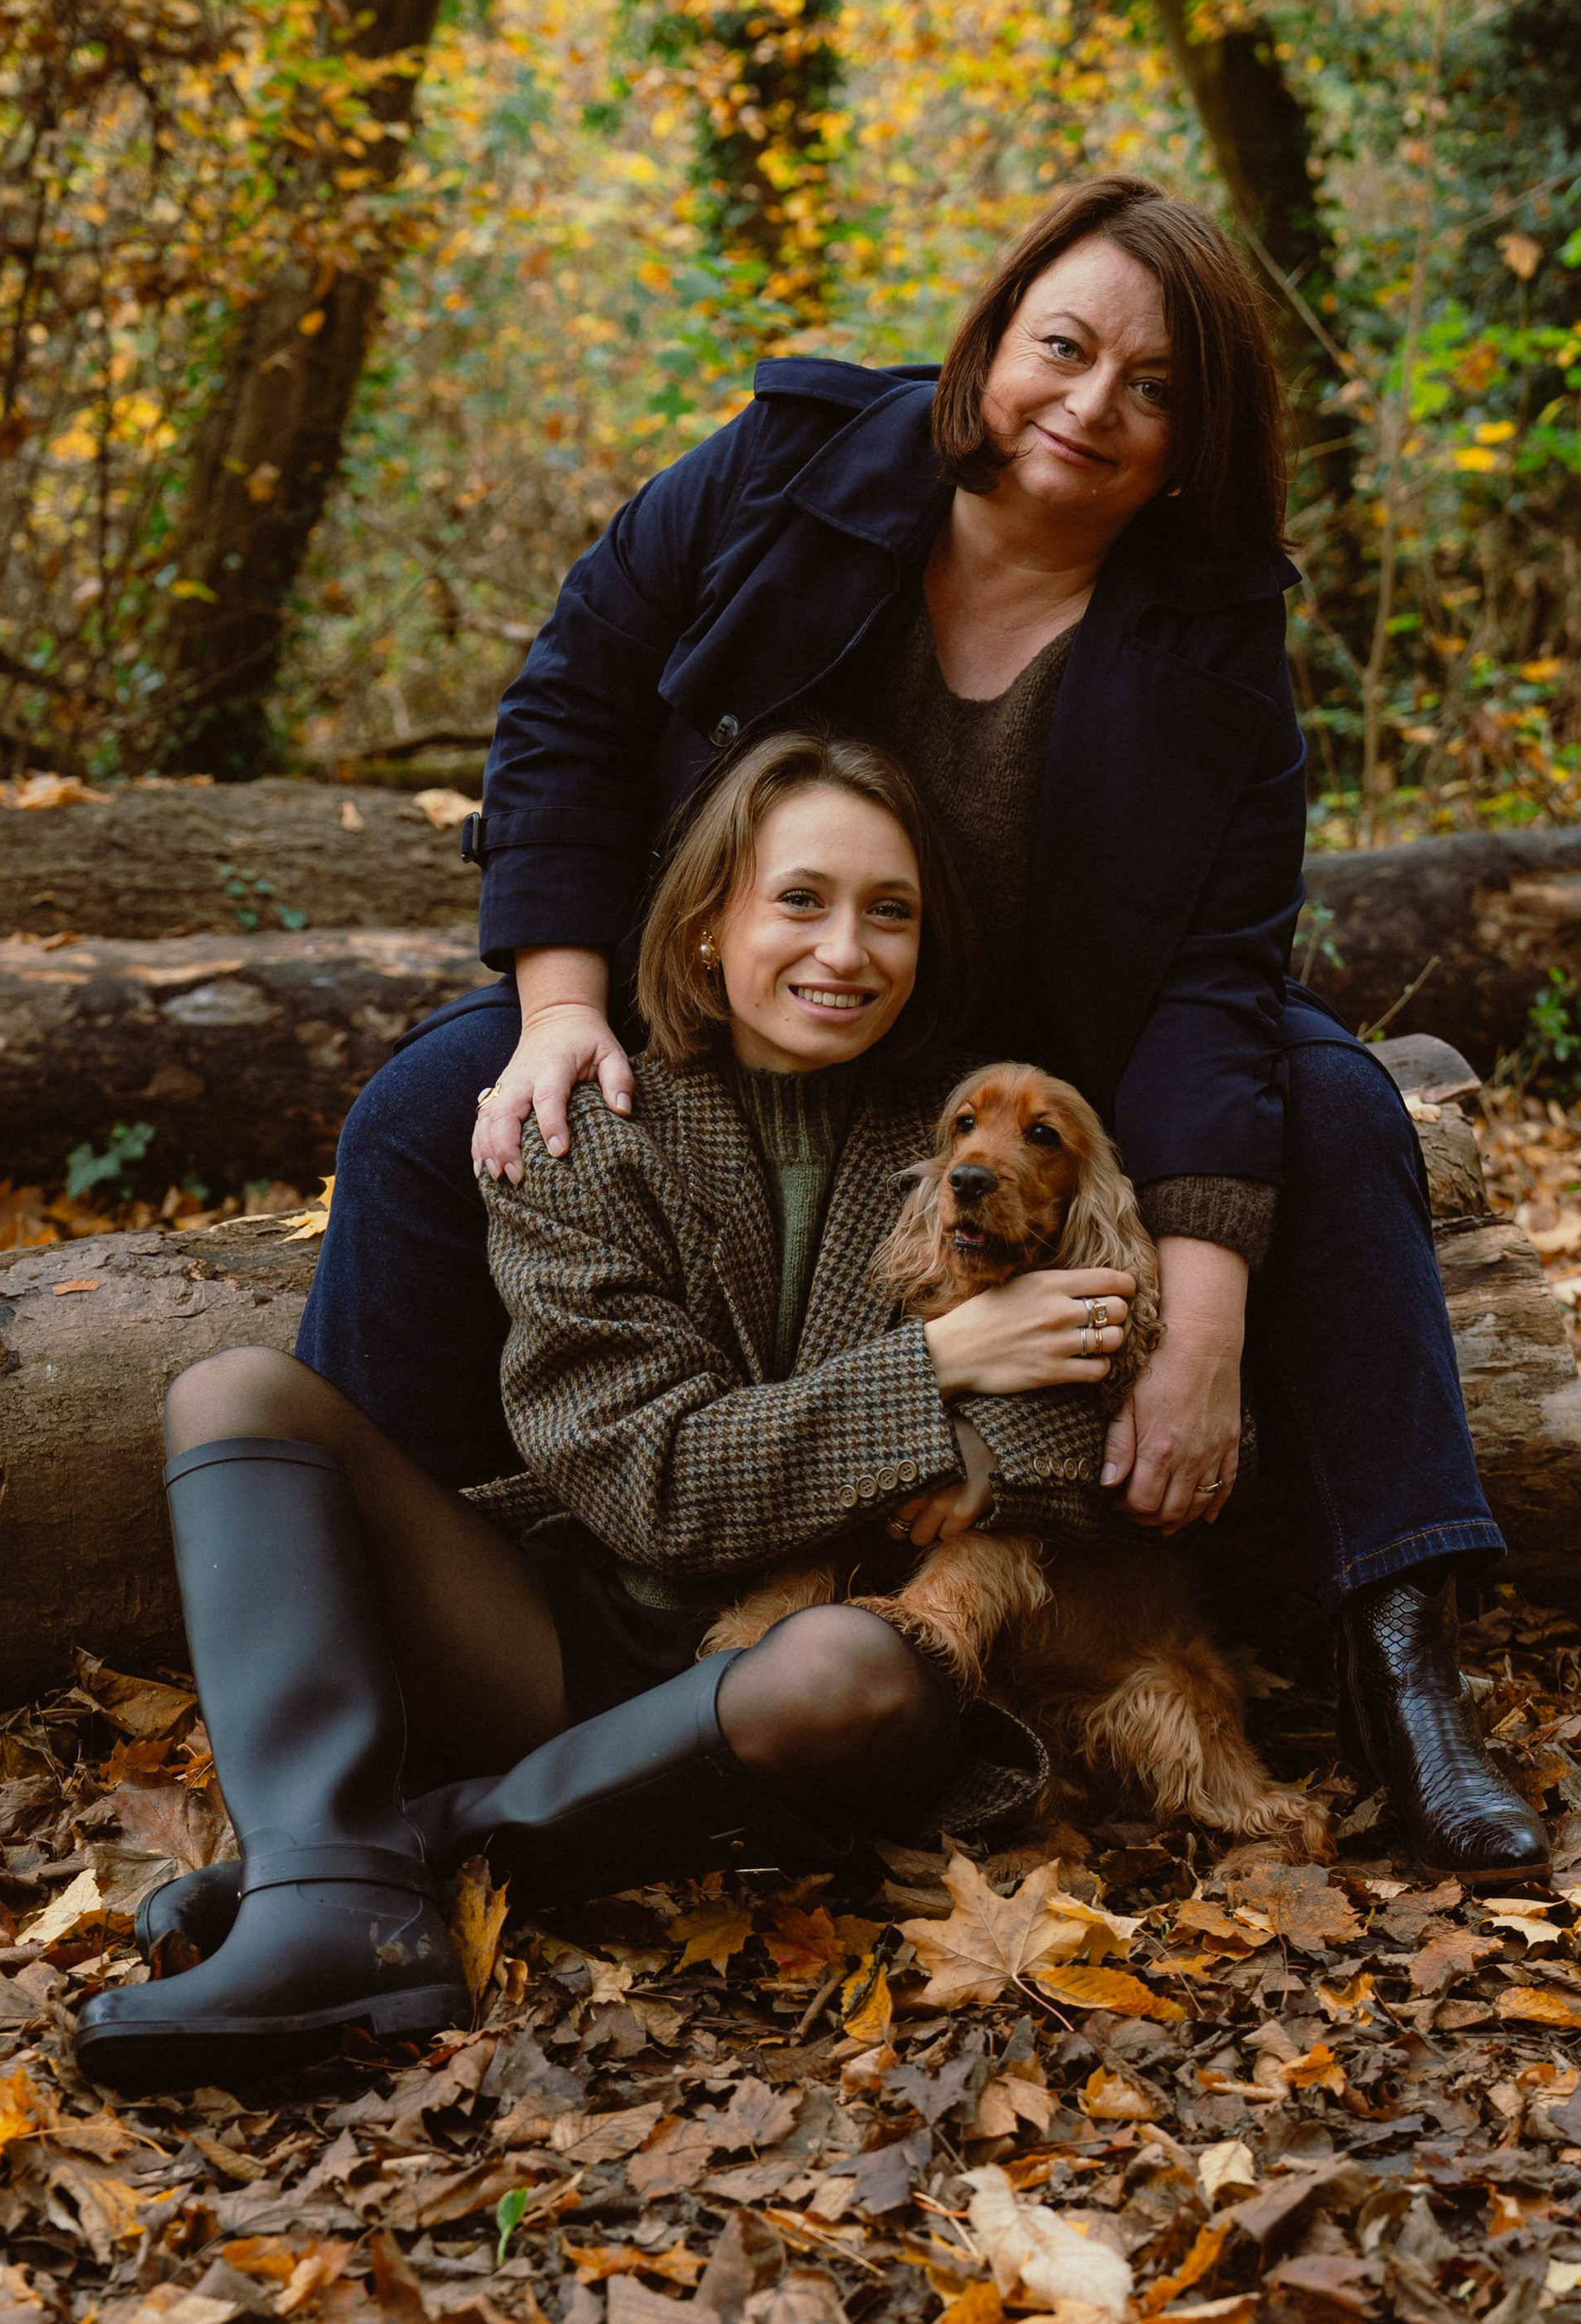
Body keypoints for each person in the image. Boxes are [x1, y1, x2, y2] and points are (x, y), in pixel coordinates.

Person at [298, 171, 1548, 1879]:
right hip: (751, 984)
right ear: (992, 336)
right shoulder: (790, 467)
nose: (1090, 406)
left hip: (1045, 1050)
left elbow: (1214, 974)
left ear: (1198, 439)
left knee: (1332, 1104)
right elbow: (569, 702)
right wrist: (564, 1002)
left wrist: (1198, 1320)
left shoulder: (1214, 633)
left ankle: (1403, 1668)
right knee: (427, 1107)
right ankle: (377, 1644)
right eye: (1065, 348)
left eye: (1156, 387)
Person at [77, 734, 1130, 2094]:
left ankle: (358, 1875)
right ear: (705, 926)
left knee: (848, 1668)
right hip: (576, 1634)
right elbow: (655, 1486)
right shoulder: (582, 1119)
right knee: (233, 1390)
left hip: (806, 1683)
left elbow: (1080, 1393)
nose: (848, 950)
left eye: (891, 912)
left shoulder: (975, 1129)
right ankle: (328, 1888)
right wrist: (940, 1370)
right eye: (800, 900)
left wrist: (989, 1443)